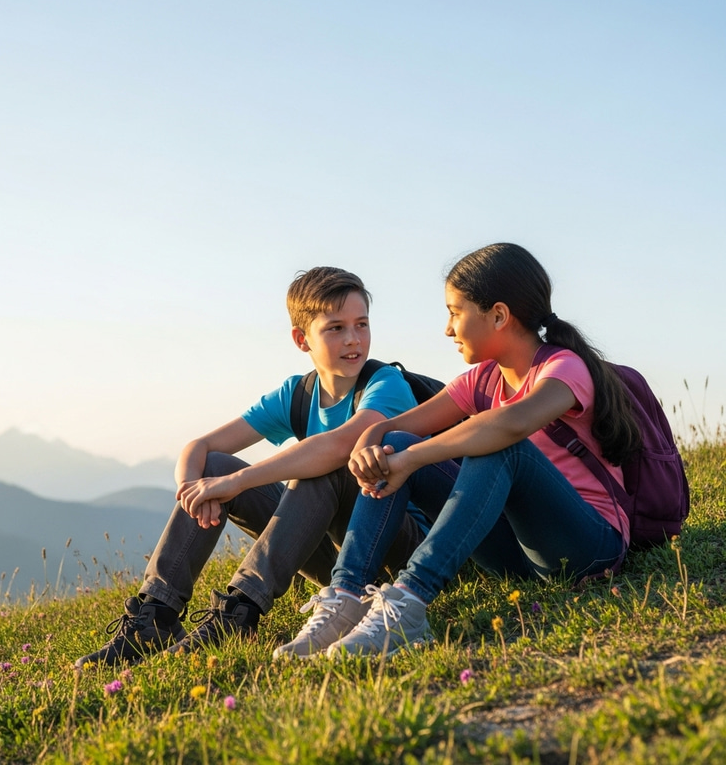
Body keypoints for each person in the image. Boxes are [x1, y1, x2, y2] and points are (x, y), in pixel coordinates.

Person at [273, 242, 640, 659]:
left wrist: (412, 459)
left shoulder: (563, 368)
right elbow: (395, 429)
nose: (448, 329)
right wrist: (369, 444)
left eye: (455, 312)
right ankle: (346, 596)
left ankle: (410, 600)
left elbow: (510, 425)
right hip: (518, 557)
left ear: (498, 315)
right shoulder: (480, 380)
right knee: (396, 443)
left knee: (502, 447)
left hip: (588, 549)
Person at [74, 266, 427, 669]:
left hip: (398, 550)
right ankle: (156, 615)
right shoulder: (298, 394)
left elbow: (339, 445)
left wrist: (236, 482)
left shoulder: (385, 384)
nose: (353, 339)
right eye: (335, 328)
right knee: (213, 465)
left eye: (362, 324)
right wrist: (197, 491)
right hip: (335, 559)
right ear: (302, 339)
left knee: (325, 463)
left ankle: (239, 612)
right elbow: (200, 447)